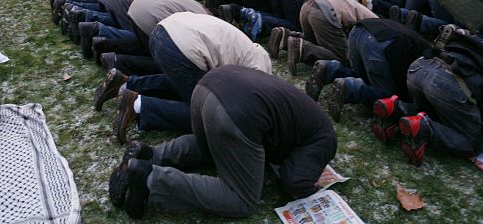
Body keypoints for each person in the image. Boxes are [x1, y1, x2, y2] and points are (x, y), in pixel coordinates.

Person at [108, 65, 337, 219]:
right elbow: (294, 181)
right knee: (242, 200)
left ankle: (151, 154)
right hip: (236, 111)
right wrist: (310, 188)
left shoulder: (309, 118)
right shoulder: (326, 139)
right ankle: (149, 176)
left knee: (211, 147)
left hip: (208, 86)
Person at [101, 12, 271, 142]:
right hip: (185, 46)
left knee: (182, 79)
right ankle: (138, 105)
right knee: (205, 111)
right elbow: (248, 102)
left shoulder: (245, 49)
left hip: (162, 31)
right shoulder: (260, 67)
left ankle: (126, 84)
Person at [372, 28, 483, 166]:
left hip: (421, 65)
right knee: (473, 143)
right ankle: (426, 129)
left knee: (429, 111)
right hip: (447, 81)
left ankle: (396, 109)